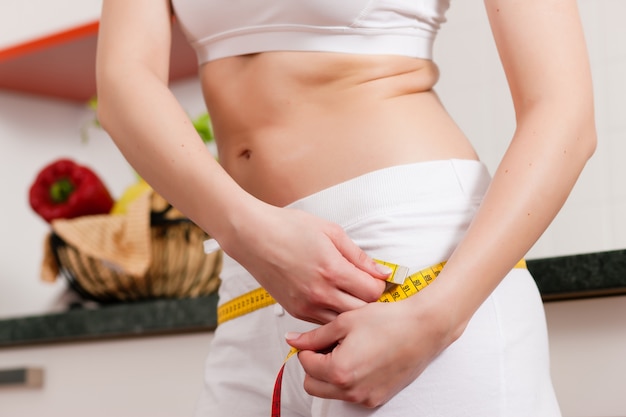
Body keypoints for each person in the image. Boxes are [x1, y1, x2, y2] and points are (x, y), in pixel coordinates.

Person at [95, 0, 596, 415]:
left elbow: (563, 114)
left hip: (411, 257)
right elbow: (123, 80)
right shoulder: (247, 238)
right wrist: (243, 227)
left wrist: (436, 317)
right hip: (253, 266)